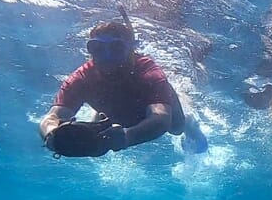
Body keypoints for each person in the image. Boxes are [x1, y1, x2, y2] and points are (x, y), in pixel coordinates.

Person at [39, 19, 207, 156]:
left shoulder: (148, 71)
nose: (106, 56)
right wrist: (51, 134)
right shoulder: (82, 77)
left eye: (116, 48)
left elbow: (161, 119)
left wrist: (127, 137)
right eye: (97, 48)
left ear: (131, 49)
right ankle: (99, 115)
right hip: (116, 107)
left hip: (150, 105)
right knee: (99, 130)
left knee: (176, 128)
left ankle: (189, 118)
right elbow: (51, 117)